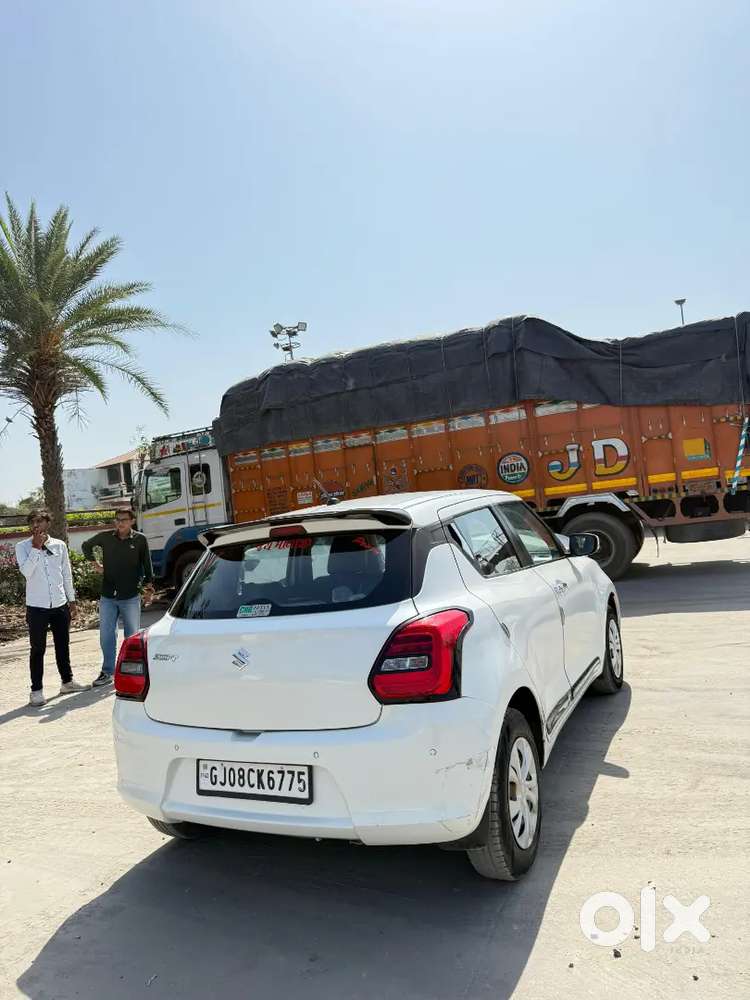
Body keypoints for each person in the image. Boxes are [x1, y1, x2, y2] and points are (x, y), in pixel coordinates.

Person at [14, 509, 85, 707]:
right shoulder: (23, 547)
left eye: (39, 521)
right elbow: (27, 572)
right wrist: (36, 548)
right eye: (32, 522)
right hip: (37, 607)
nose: (35, 525)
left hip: (60, 605)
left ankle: (67, 682)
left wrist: (72, 602)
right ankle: (36, 691)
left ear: (47, 523)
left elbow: (66, 574)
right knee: (38, 649)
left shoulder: (59, 545)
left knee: (63, 645)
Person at [82, 507, 155, 687]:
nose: (120, 523)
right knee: (106, 634)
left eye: (123, 519)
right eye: (117, 519)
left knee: (132, 636)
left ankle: (132, 671)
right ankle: (107, 672)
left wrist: (148, 589)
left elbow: (147, 565)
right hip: (108, 595)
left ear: (132, 521)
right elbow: (86, 546)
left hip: (130, 595)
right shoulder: (106, 537)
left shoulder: (139, 539)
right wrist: (96, 564)